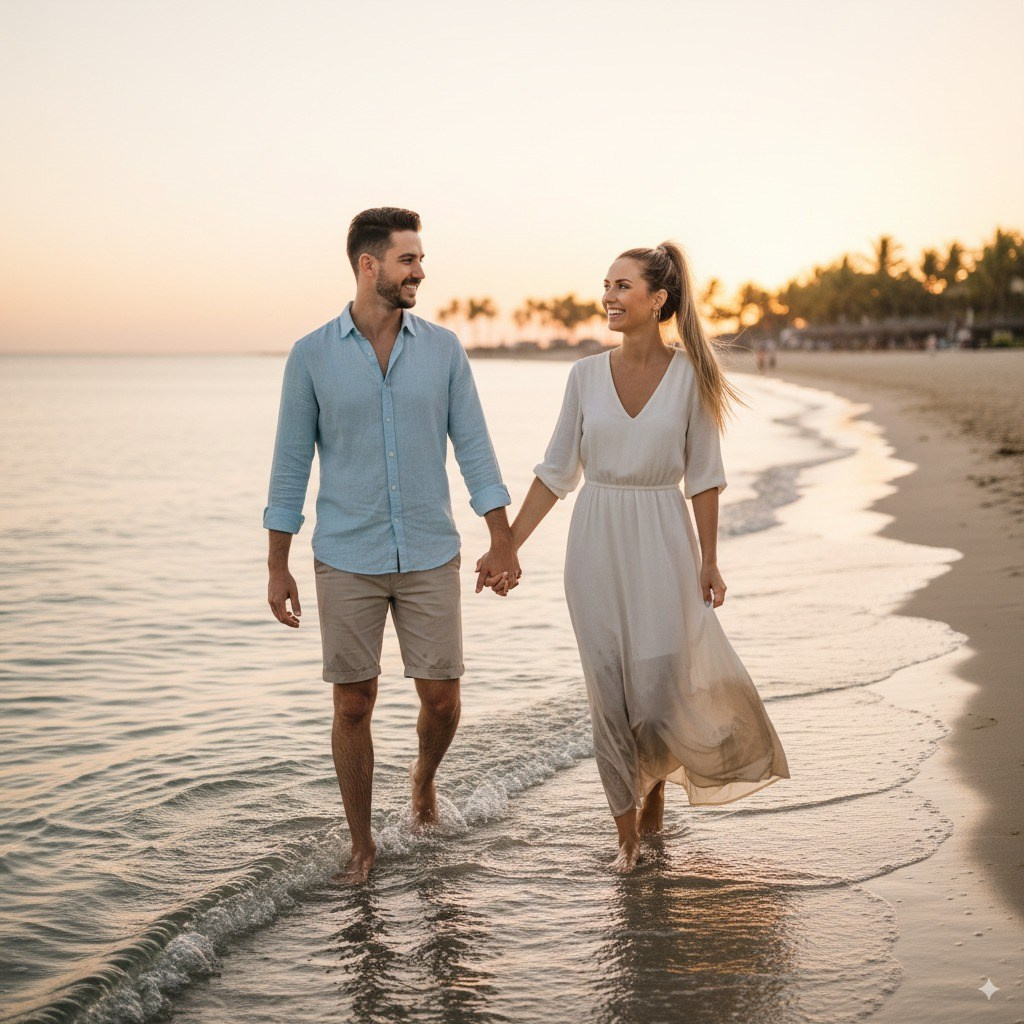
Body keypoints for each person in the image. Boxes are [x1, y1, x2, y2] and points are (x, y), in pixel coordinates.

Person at [491, 242, 790, 871]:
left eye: (623, 286)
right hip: (595, 541)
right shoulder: (582, 377)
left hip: (663, 539)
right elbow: (554, 473)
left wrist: (709, 560)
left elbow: (704, 477)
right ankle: (628, 840)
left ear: (659, 299)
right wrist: (508, 544)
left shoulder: (693, 378)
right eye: (606, 285)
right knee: (609, 698)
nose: (609, 297)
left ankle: (652, 814)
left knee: (655, 696)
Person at [264, 207, 519, 884]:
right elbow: (290, 468)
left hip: (431, 549)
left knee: (441, 696)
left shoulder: (443, 351)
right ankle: (362, 845)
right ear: (368, 265)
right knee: (353, 703)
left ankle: (424, 780)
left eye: (420, 259)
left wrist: (503, 538)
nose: (421, 271)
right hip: (345, 553)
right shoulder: (311, 356)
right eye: (409, 260)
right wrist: (277, 563)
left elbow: (476, 450)